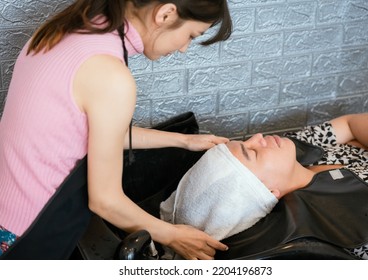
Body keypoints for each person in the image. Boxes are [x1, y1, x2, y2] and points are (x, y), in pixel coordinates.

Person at [0, 0, 233, 260]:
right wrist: (173, 235)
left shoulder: (63, 30)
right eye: (190, 35)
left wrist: (183, 140)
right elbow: (104, 200)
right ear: (166, 13)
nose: (183, 48)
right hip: (24, 235)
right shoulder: (109, 74)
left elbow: (88, 133)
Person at [161, 112, 368, 259]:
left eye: (245, 143)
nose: (258, 137)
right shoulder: (364, 217)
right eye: (251, 152)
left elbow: (356, 121)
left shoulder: (291, 154)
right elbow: (355, 129)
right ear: (268, 193)